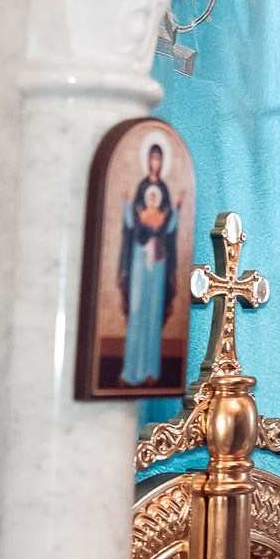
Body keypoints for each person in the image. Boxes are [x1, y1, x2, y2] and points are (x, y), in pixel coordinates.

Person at [118, 140, 178, 384]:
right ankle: (131, 371)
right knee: (137, 309)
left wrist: (178, 211)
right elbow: (132, 224)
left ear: (162, 162)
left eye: (158, 159)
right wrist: (125, 206)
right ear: (148, 161)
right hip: (140, 255)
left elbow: (169, 227)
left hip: (159, 258)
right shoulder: (141, 187)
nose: (155, 163)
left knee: (153, 311)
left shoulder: (164, 191)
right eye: (152, 158)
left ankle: (151, 370)